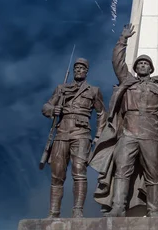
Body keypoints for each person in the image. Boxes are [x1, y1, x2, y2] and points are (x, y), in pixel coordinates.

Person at [89, 24, 158, 217]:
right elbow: (117, 62)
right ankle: (119, 207)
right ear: (135, 68)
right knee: (122, 171)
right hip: (128, 131)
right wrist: (123, 39)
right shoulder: (128, 82)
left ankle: (153, 211)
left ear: (151, 68)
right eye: (139, 64)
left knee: (153, 173)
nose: (142, 66)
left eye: (146, 64)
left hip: (151, 132)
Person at [42, 57, 106, 218]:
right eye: (76, 67)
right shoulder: (62, 88)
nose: (78, 70)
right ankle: (53, 213)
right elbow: (46, 106)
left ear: (86, 71)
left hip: (81, 133)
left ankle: (77, 211)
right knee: (57, 174)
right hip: (62, 132)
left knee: (79, 171)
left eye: (82, 68)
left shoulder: (93, 90)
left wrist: (99, 134)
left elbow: (101, 113)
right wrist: (53, 110)